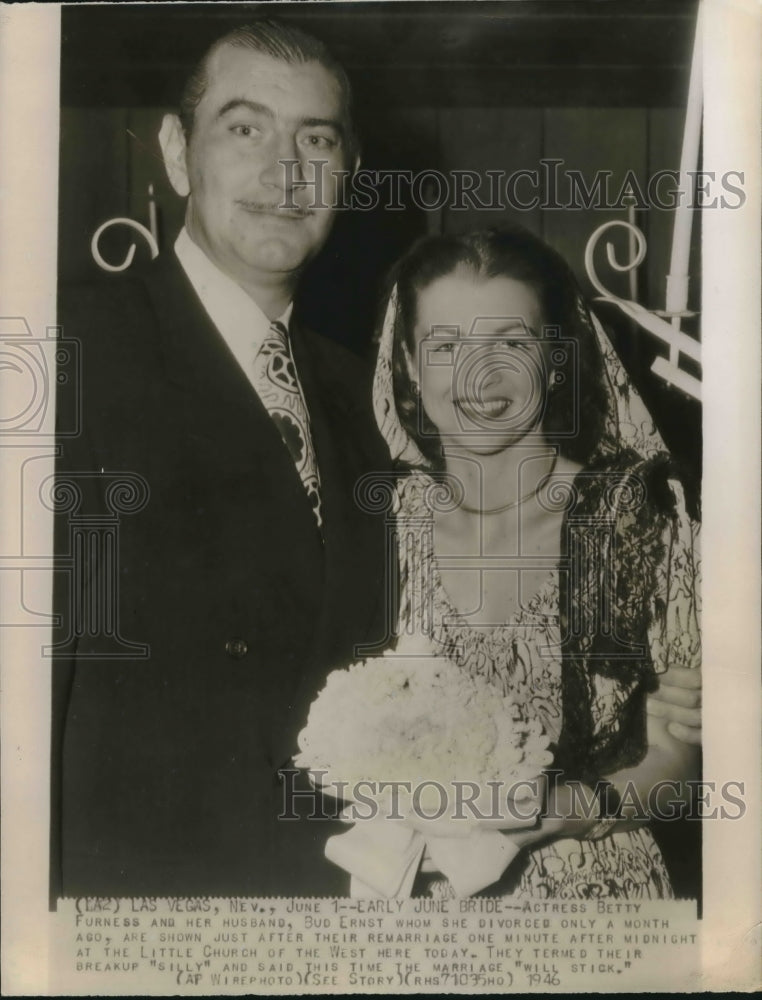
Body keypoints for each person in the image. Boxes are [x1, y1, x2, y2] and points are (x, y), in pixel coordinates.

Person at [51, 19, 390, 899]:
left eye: (316, 138)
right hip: (130, 907)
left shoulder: (371, 397)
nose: (288, 172)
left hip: (328, 906)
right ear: (176, 151)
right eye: (246, 129)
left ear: (345, 173)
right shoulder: (67, 352)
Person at [372, 225, 701, 898]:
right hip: (405, 901)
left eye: (511, 344)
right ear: (406, 361)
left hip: (595, 900)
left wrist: (567, 811)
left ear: (555, 358)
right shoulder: (378, 524)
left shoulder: (630, 519)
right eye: (446, 345)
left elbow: (681, 756)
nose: (478, 376)